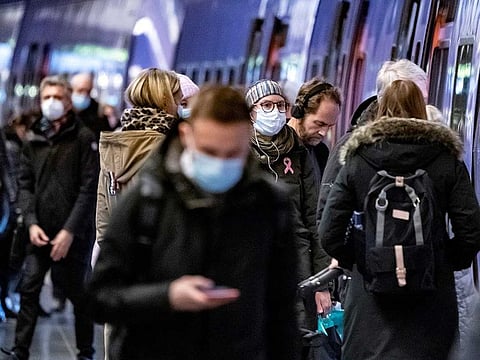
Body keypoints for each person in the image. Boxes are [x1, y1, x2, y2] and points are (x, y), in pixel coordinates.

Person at [88, 85, 300, 360]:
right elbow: (99, 298)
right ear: (186, 135)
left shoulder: (269, 207)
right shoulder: (148, 201)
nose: (220, 163)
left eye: (233, 154)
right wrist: (167, 296)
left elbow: (282, 314)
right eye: (209, 151)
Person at [318, 79, 480, 359]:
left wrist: (361, 259)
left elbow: (328, 232)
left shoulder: (357, 159)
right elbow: (471, 231)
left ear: (381, 110)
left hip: (369, 303)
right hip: (431, 304)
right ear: (421, 109)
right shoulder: (446, 159)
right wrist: (440, 260)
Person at [1, 76, 99, 360]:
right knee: (30, 287)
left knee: (79, 295)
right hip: (39, 231)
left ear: (68, 102)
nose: (51, 103)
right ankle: (20, 350)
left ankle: (85, 352)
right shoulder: (34, 137)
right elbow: (25, 184)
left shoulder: (83, 138)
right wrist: (31, 222)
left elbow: (87, 188)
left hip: (73, 235)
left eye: (57, 97)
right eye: (47, 98)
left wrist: (69, 232)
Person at [94, 68, 182, 360]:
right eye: (178, 97)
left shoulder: (114, 144)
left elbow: (104, 210)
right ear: (167, 100)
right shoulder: (170, 146)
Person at [245, 79, 330, 334]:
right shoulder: (239, 150)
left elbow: (314, 217)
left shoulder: (298, 151)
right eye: (267, 105)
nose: (275, 111)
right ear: (252, 112)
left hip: (298, 263)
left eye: (280, 105)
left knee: (298, 337)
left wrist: (322, 282)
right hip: (253, 263)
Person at [287, 78, 341, 190]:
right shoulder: (272, 147)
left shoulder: (321, 153)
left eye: (329, 127)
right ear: (299, 112)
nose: (324, 133)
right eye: (319, 123)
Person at [71, 72, 113, 140]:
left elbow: (107, 137)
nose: (84, 95)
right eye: (80, 90)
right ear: (72, 90)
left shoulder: (99, 111)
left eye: (88, 91)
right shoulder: (65, 111)